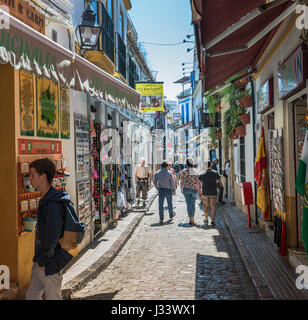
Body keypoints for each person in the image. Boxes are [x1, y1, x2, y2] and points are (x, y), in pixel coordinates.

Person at [25, 158, 73, 300]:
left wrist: (44, 261)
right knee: (31, 296)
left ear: (43, 176)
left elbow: (53, 235)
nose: (30, 178)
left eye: (32, 175)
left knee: (53, 297)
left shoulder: (52, 203)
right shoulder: (45, 199)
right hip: (41, 261)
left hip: (49, 264)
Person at [198, 161, 222, 226]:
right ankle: (213, 221)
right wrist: (217, 184)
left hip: (205, 193)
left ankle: (206, 219)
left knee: (205, 206)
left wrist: (199, 191)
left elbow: (198, 183)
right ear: (211, 166)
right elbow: (220, 182)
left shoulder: (202, 173)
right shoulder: (215, 172)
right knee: (213, 206)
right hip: (213, 192)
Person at [180, 158, 200, 225]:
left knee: (188, 204)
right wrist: (199, 190)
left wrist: (181, 188)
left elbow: (181, 181)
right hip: (194, 189)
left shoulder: (183, 171)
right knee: (193, 204)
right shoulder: (196, 171)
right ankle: (193, 218)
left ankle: (190, 219)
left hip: (186, 188)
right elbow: (198, 182)